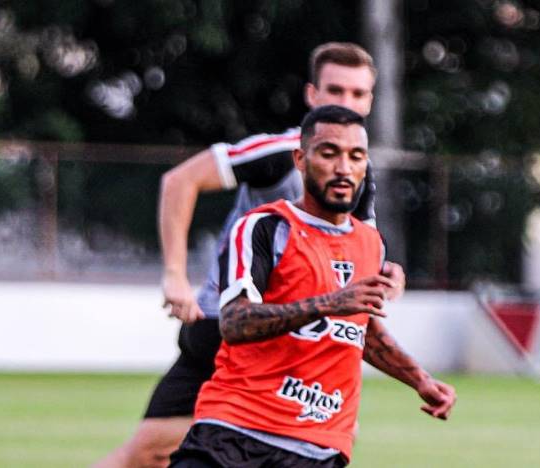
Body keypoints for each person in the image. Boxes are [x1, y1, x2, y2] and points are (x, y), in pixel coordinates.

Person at [95, 42, 404, 468]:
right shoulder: (279, 154)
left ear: (370, 101)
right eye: (335, 90)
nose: (345, 101)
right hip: (231, 322)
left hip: (305, 341)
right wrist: (174, 274)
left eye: (357, 94)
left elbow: (359, 258)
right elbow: (180, 182)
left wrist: (390, 275)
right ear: (312, 95)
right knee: (148, 451)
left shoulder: (357, 173)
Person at [168, 105, 455, 467]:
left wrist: (419, 379)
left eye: (356, 156)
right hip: (232, 435)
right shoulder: (264, 227)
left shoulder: (371, 244)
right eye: (329, 153)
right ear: (301, 160)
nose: (343, 168)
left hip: (317, 448)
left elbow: (360, 330)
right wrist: (329, 303)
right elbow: (235, 322)